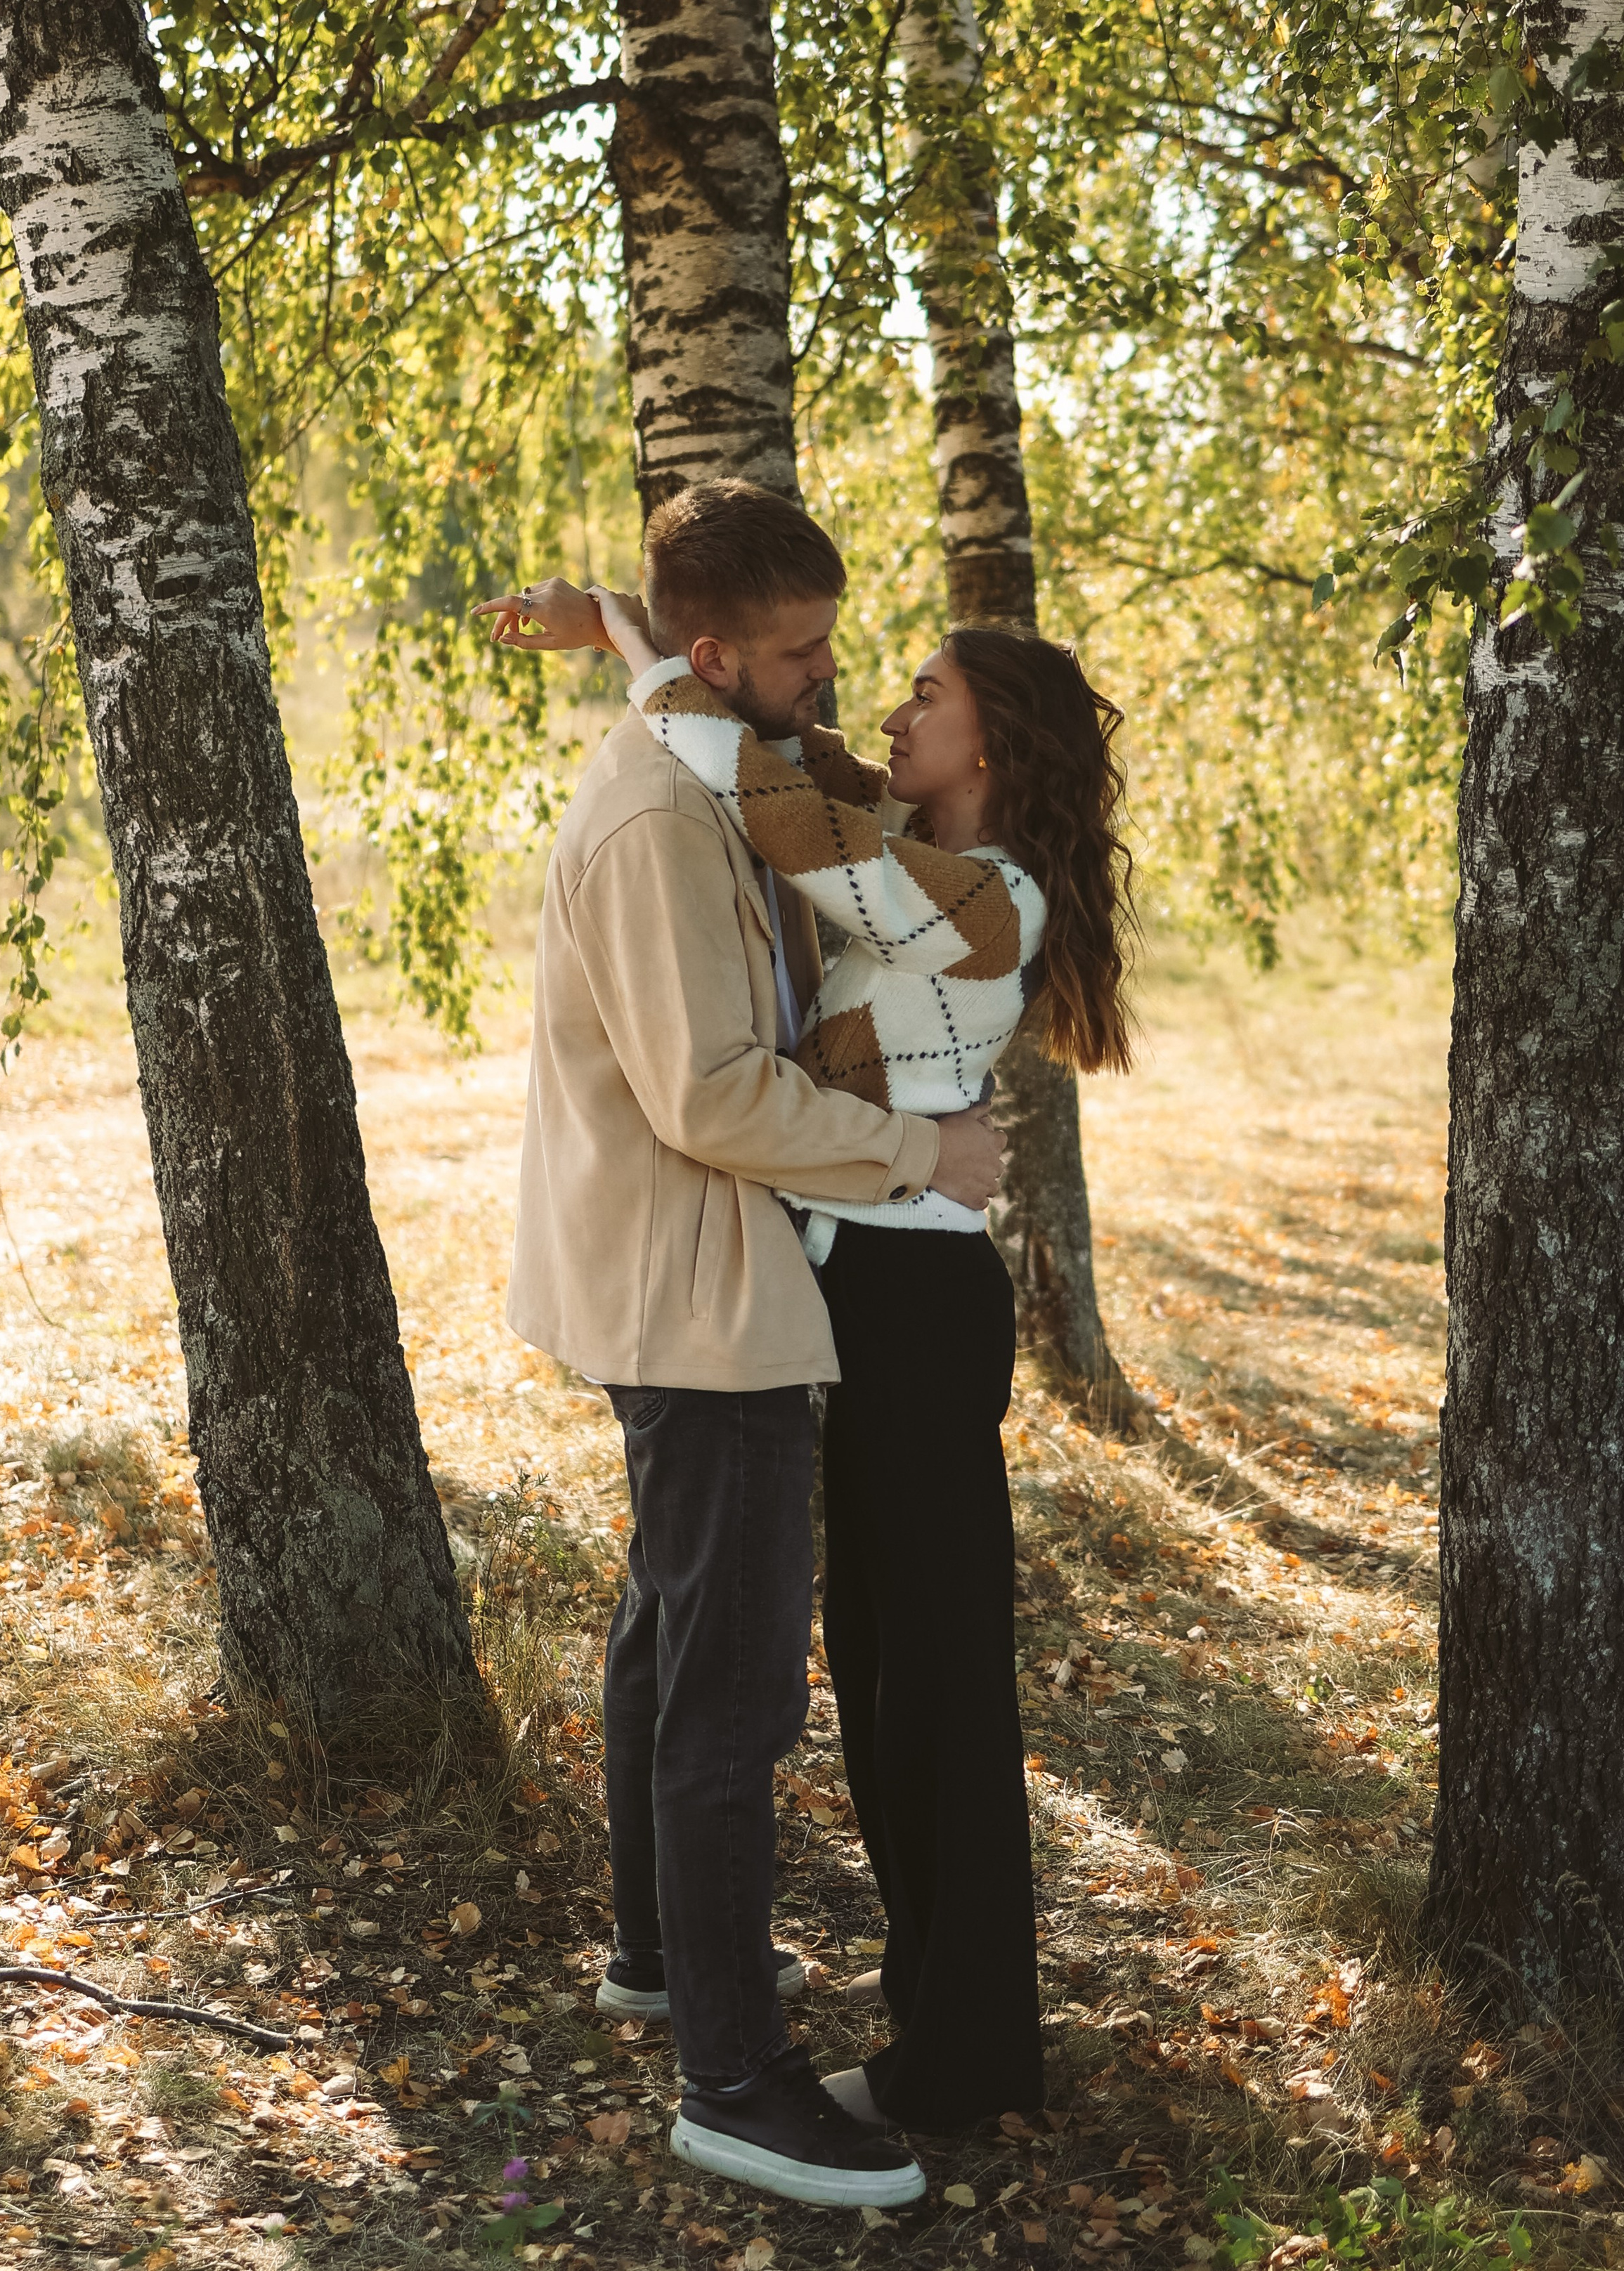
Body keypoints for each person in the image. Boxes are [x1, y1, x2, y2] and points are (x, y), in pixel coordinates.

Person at [475, 486, 1006, 2211]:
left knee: (667, 1624)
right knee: (732, 1690)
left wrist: (611, 634)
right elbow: (707, 1091)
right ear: (722, 654)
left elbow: (668, 690)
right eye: (798, 652)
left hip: (703, 1273)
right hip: (701, 1294)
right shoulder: (653, 818)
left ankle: (656, 1955)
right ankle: (733, 2079)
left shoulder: (698, 737)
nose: (825, 676)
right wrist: (921, 1152)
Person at [586, 579, 1134, 2133]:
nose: (888, 711)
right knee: (885, 1675)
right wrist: (640, 643)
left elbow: (760, 798)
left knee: (934, 1688)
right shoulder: (925, 858)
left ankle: (962, 2058)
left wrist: (655, 669)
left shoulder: (986, 897)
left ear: (994, 743)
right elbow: (749, 756)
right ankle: (943, 2032)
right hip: (865, 1304)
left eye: (922, 693)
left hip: (916, 1317)